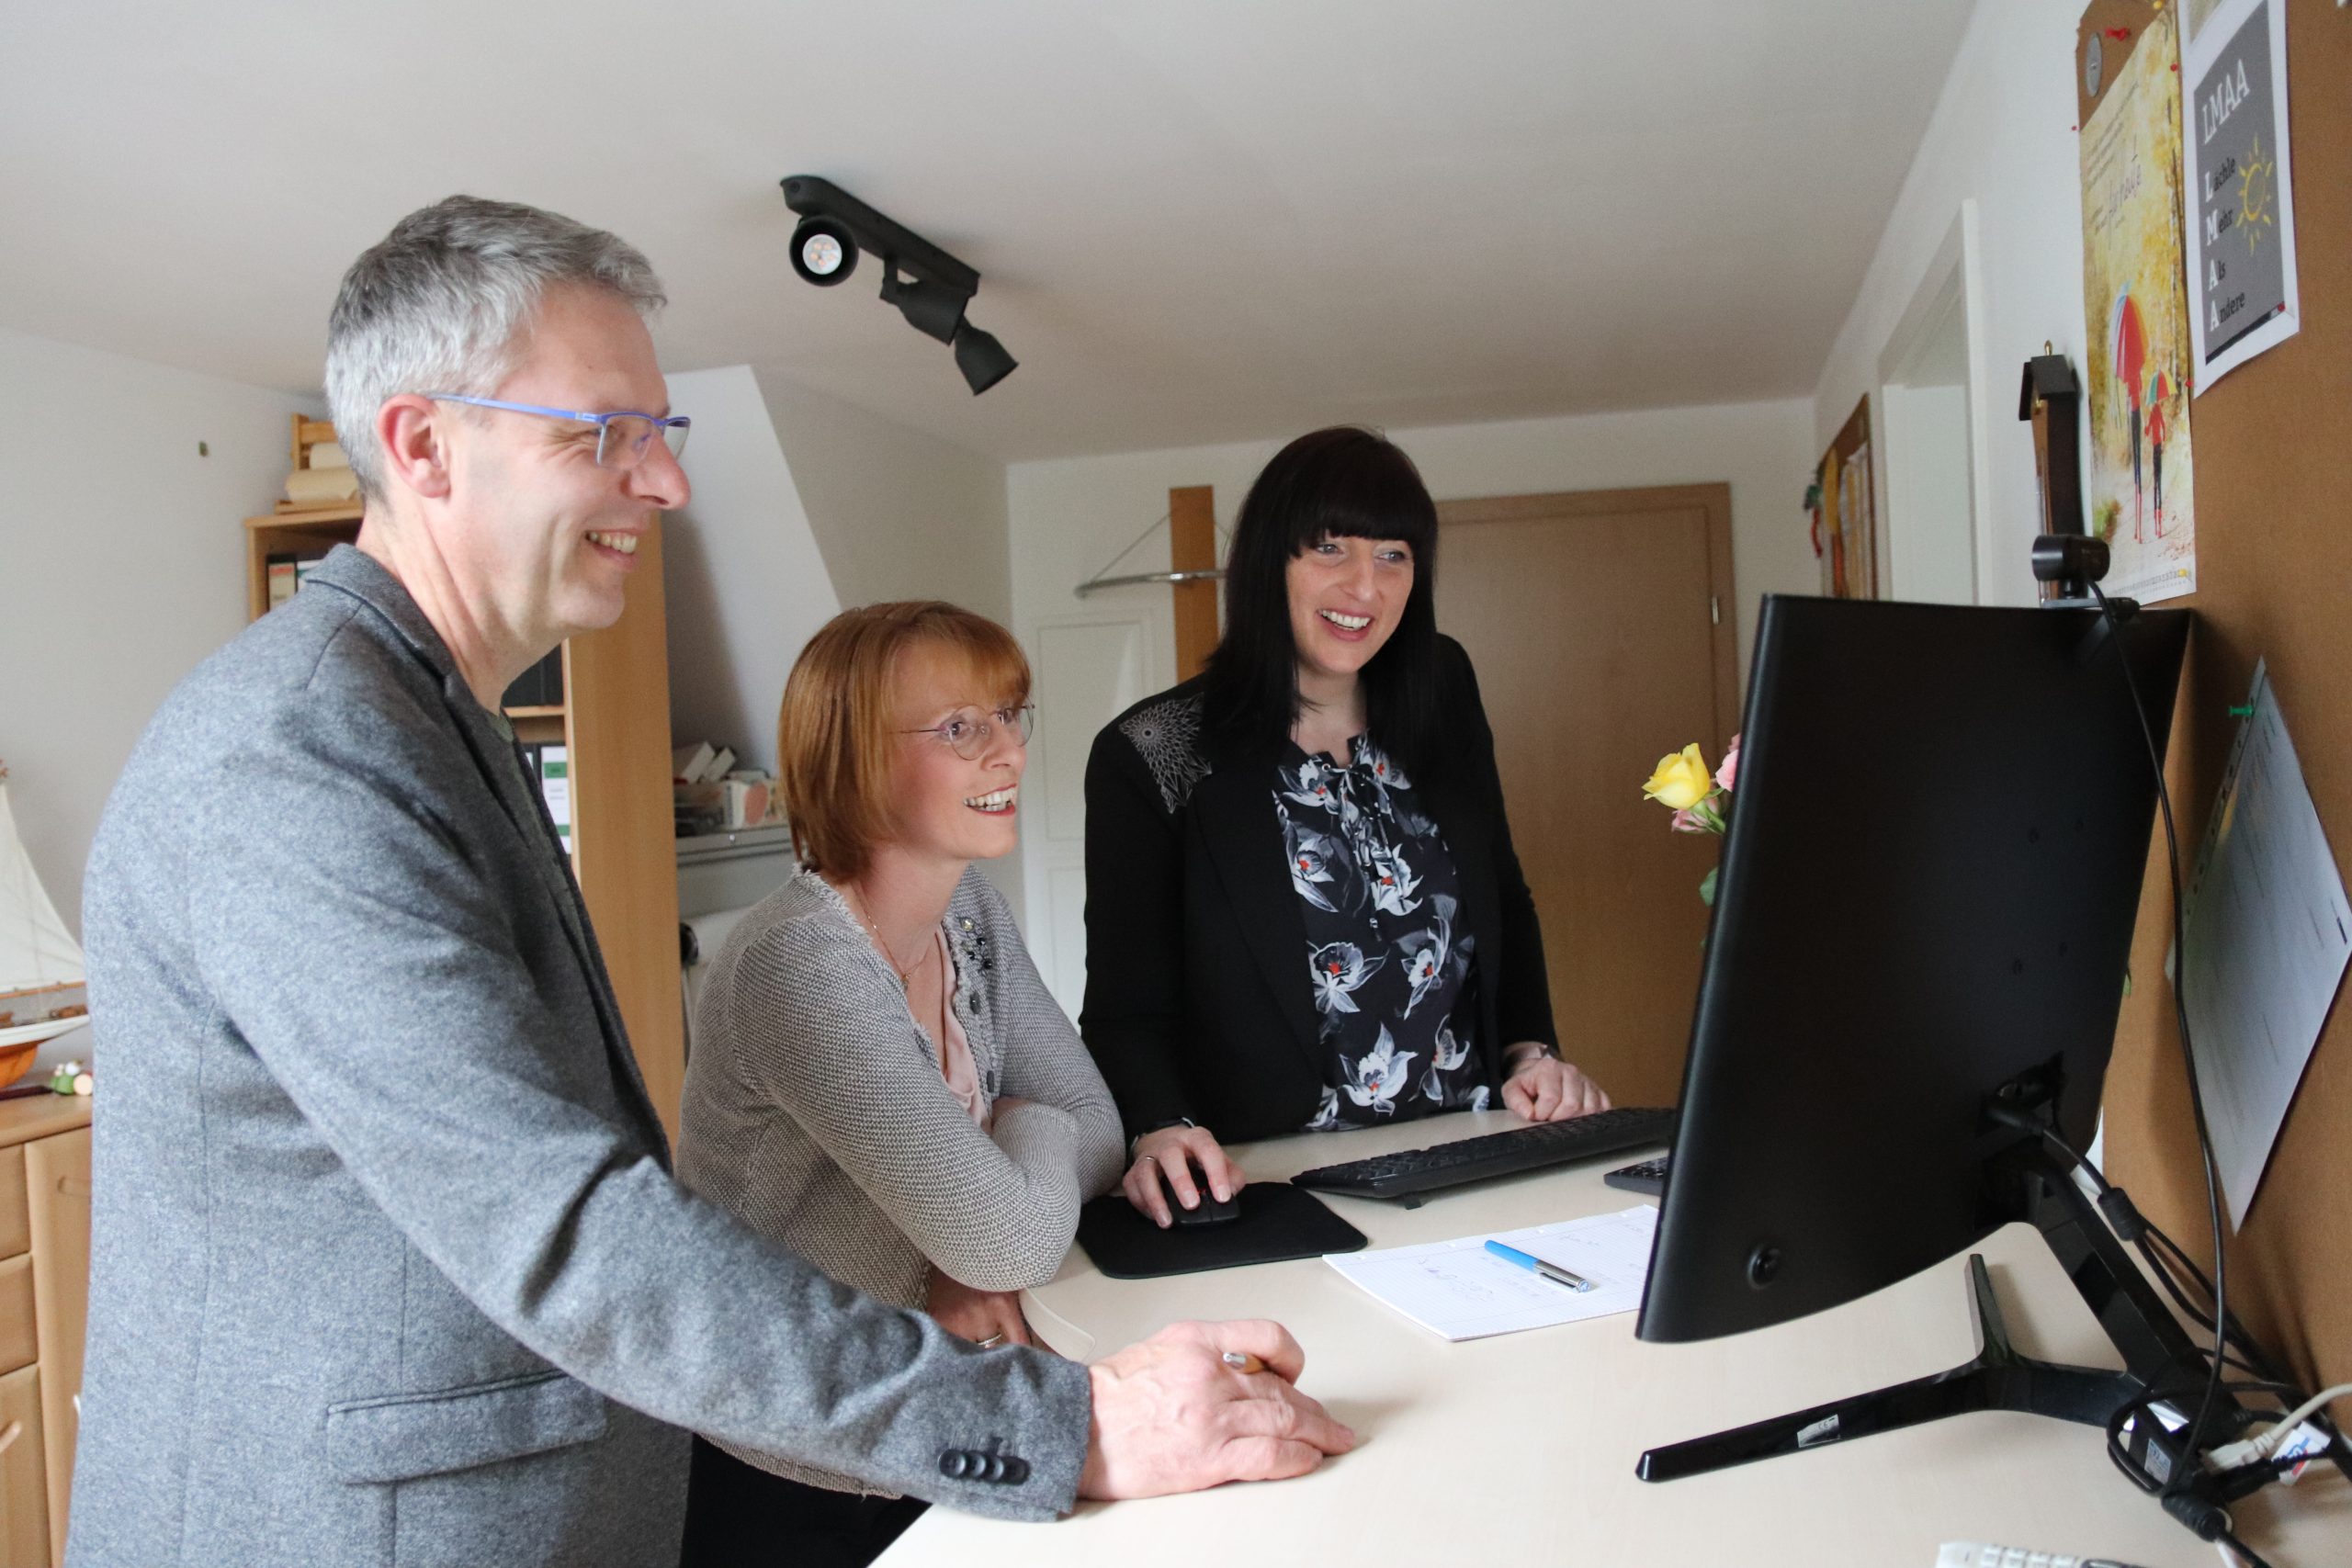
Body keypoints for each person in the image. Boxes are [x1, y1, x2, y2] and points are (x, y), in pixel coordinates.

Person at [71, 197, 1351, 1568]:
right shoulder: (301, 755)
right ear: (424, 445)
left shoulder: (436, 723)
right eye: (604, 433)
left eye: (661, 432)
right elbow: (567, 1226)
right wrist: (1064, 1423)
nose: (667, 484)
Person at [675, 602, 1124, 1567]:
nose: (1008, 752)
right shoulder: (798, 965)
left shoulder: (968, 911)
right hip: (795, 1449)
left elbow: (1097, 1124)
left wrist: (980, 1222)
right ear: (853, 760)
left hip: (933, 1399)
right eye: (960, 728)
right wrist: (1002, 1170)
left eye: (1008, 715)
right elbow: (1012, 1235)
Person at [1081, 426, 1610, 1225]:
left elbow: (1503, 892)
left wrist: (1531, 1050)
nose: (1365, 586)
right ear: (1270, 562)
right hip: (1276, 1177)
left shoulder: (1442, 686)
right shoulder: (1155, 750)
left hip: (1474, 1148)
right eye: (1330, 547)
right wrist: (1160, 1126)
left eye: (1393, 554)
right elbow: (1126, 1008)